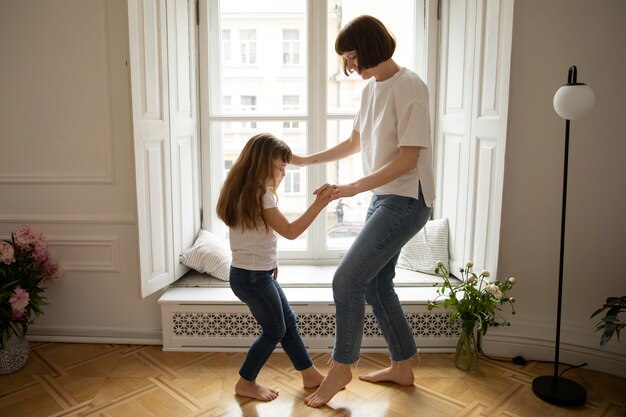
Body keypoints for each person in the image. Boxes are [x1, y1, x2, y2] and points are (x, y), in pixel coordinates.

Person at [291, 15, 436, 407]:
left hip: (407, 201)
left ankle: (341, 367)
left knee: (347, 280)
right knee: (375, 283)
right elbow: (356, 142)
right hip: (385, 198)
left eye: (352, 55)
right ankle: (403, 364)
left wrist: (349, 188)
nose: (349, 65)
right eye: (346, 58)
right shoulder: (372, 89)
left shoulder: (410, 86)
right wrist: (307, 160)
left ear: (371, 47)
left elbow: (409, 159)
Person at [216, 133, 336, 401]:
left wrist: (270, 265)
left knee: (287, 322)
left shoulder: (240, 190)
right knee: (274, 330)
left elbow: (255, 239)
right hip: (253, 278)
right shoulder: (262, 195)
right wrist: (319, 204)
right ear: (262, 164)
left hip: (253, 274)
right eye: (281, 167)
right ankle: (245, 382)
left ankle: (310, 374)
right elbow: (291, 232)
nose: (284, 173)